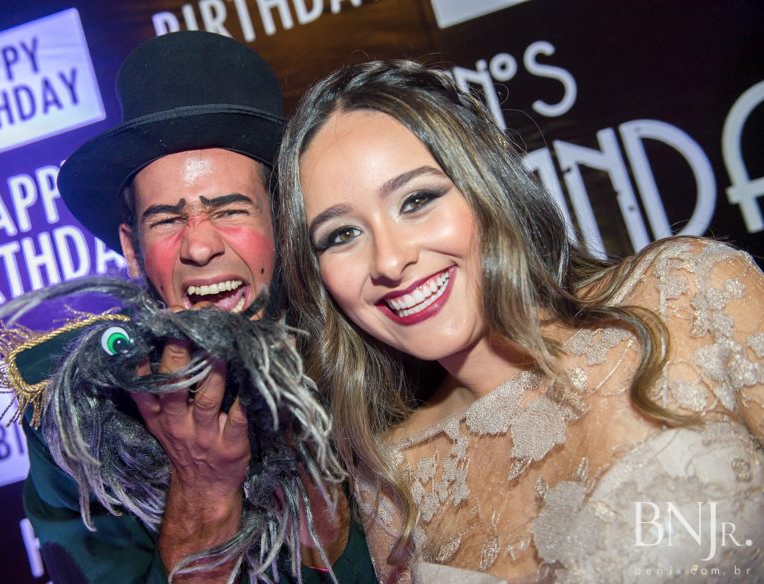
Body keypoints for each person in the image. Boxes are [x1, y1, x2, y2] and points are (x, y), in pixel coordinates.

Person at [276, 59, 764, 583]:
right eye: (342, 235)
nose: (390, 261)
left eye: (416, 200)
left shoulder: (685, 295)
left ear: (486, 184)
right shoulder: (392, 480)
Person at [19, 31, 374, 584]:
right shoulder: (78, 420)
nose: (200, 246)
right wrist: (202, 489)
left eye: (230, 210)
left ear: (284, 222)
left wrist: (310, 475)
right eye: (166, 219)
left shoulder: (372, 337)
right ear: (133, 250)